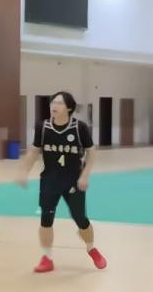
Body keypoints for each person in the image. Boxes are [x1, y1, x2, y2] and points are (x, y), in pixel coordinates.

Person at [17, 91, 107, 274]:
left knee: (81, 219)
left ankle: (91, 249)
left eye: (59, 103)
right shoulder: (43, 127)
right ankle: (47, 258)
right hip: (49, 180)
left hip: (74, 181)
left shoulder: (79, 128)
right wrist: (23, 171)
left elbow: (91, 152)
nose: (54, 106)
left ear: (69, 108)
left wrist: (85, 176)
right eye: (53, 103)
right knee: (46, 220)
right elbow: (34, 151)